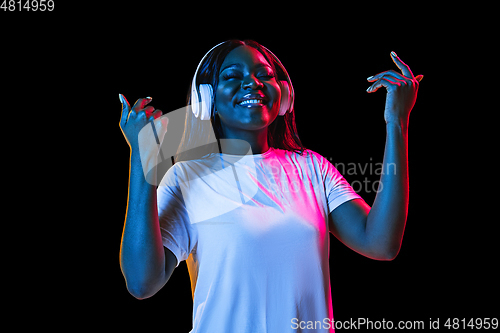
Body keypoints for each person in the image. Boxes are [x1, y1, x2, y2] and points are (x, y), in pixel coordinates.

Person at [118, 39, 422, 332]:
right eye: (232, 76)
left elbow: (381, 244)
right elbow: (142, 282)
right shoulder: (187, 177)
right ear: (206, 99)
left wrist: (397, 121)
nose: (253, 83)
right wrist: (143, 158)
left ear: (284, 95)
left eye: (265, 75)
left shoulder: (312, 168)